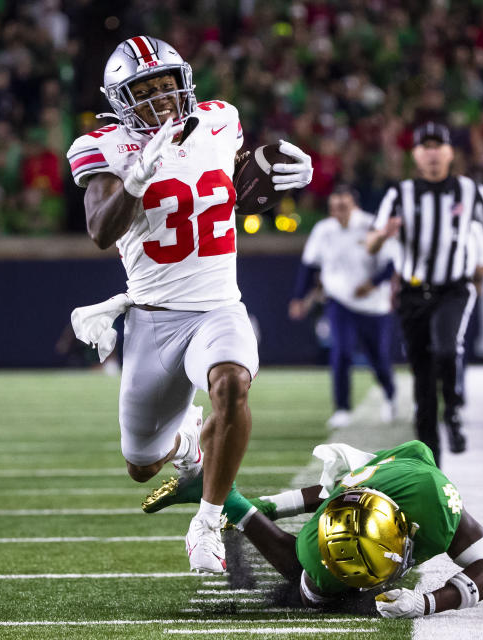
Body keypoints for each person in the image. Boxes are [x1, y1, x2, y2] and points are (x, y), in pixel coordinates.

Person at [66, 36, 313, 574]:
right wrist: (132, 184)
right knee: (141, 464)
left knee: (232, 383)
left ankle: (207, 520)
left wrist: (285, 173)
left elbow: (238, 179)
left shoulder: (220, 120)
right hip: (153, 321)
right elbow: (99, 231)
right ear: (121, 99)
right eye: (145, 91)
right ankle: (185, 448)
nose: (162, 100)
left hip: (218, 307)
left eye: (166, 86)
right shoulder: (103, 148)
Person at [145, 440, 483, 618]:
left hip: (408, 472)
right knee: (313, 590)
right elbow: (331, 490)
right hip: (377, 481)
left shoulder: (439, 515)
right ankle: (232, 499)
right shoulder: (348, 497)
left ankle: (225, 495)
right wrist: (271, 505)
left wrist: (427, 603)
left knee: (325, 582)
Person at [366, 122, 483, 465]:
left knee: (447, 348)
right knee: (421, 373)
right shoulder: (399, 193)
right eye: (425, 146)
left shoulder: (469, 190)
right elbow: (371, 242)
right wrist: (384, 235)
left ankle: (455, 407)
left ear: (450, 153)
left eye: (438, 146)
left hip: (454, 287)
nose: (432, 152)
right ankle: (432, 459)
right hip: (413, 291)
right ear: (416, 154)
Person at [289, 185, 397, 429]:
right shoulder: (324, 229)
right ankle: (342, 408)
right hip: (339, 301)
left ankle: (390, 394)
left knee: (378, 358)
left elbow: (391, 263)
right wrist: (298, 297)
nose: (338, 212)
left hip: (373, 303)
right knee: (341, 351)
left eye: (343, 206)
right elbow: (309, 265)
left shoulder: (371, 225)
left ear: (354, 206)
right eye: (334, 207)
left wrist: (372, 285)